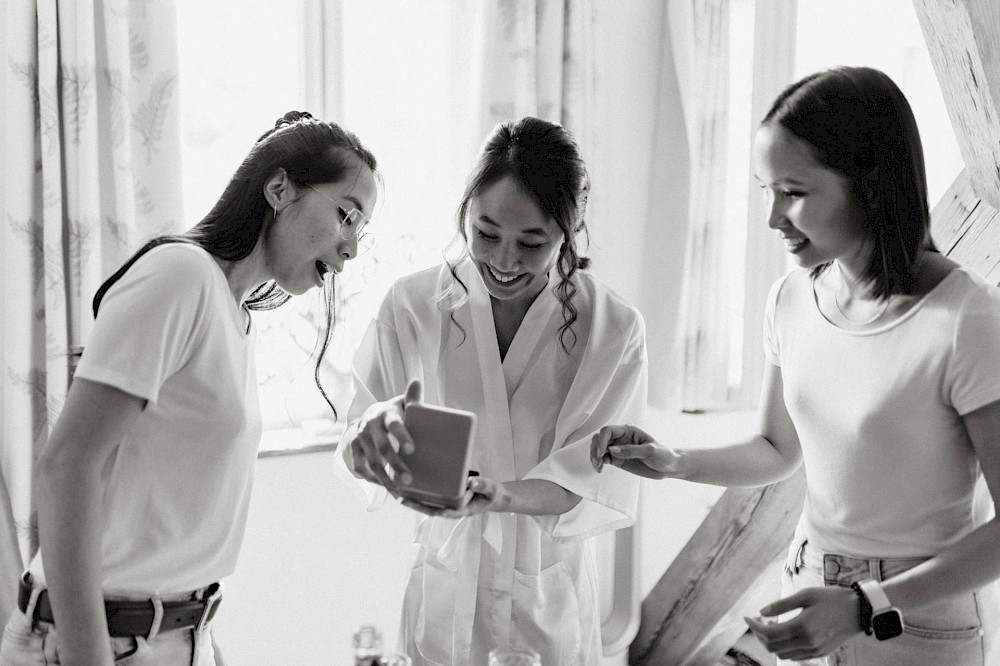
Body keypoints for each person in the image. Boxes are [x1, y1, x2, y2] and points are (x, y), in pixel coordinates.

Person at [592, 66, 1000, 665]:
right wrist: (673, 461)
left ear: (868, 183)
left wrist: (866, 603)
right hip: (806, 598)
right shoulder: (790, 300)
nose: (773, 217)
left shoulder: (966, 318)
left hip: (913, 627)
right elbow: (776, 449)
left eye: (794, 191)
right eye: (766, 190)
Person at [0, 112, 378, 666]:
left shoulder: (235, 314)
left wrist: (199, 641)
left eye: (360, 233)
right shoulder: (182, 275)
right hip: (96, 640)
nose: (349, 248)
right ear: (279, 188)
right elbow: (65, 469)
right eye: (346, 215)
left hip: (176, 636)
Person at [337, 116, 647, 666]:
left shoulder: (613, 329)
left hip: (547, 597)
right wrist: (369, 442)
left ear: (570, 233)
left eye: (533, 242)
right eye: (485, 234)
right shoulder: (411, 306)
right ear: (465, 214)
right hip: (444, 586)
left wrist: (498, 496)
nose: (504, 262)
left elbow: (592, 479)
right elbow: (357, 437)